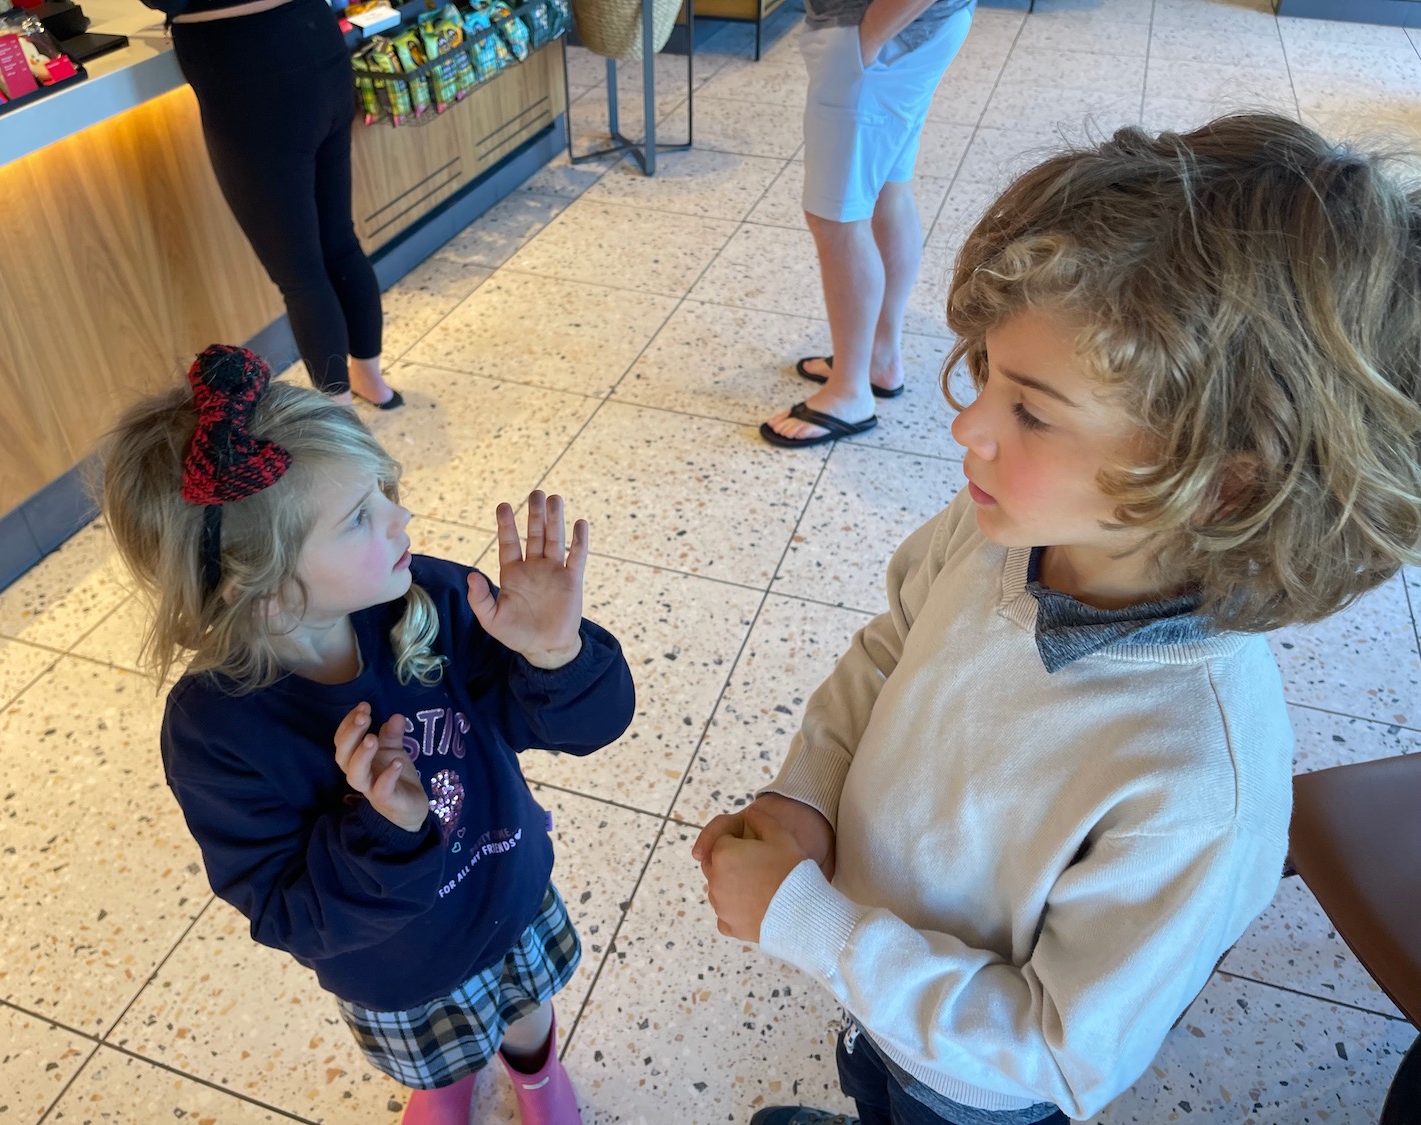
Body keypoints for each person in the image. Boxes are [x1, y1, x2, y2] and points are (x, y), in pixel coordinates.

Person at [696, 113, 1421, 1124]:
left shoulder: (1201, 781)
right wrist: (809, 797)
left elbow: (1057, 1052)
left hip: (967, 1088)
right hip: (870, 974)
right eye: (987, 374)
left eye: (1032, 410)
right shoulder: (999, 526)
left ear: (1221, 482)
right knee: (873, 1083)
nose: (966, 425)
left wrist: (812, 928)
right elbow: (893, 644)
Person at [97, 344, 634, 1124]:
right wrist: (389, 830)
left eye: (383, 490)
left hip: (504, 886)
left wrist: (555, 653)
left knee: (528, 1008)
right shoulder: (215, 733)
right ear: (268, 595)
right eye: (359, 516)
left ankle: (535, 1069)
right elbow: (284, 907)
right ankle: (445, 1084)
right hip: (396, 962)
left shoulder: (434, 597)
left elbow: (581, 724)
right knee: (434, 1048)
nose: (401, 516)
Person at [760, 0, 974, 448]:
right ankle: (878, 359)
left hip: (880, 31)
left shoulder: (869, 42)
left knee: (837, 217)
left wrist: (865, 42)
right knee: (885, 192)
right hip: (907, 31)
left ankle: (849, 393)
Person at [169, 0, 402, 408]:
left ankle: (340, 417)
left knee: (301, 275)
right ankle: (372, 384)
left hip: (246, 65)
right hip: (315, 36)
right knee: (340, 244)